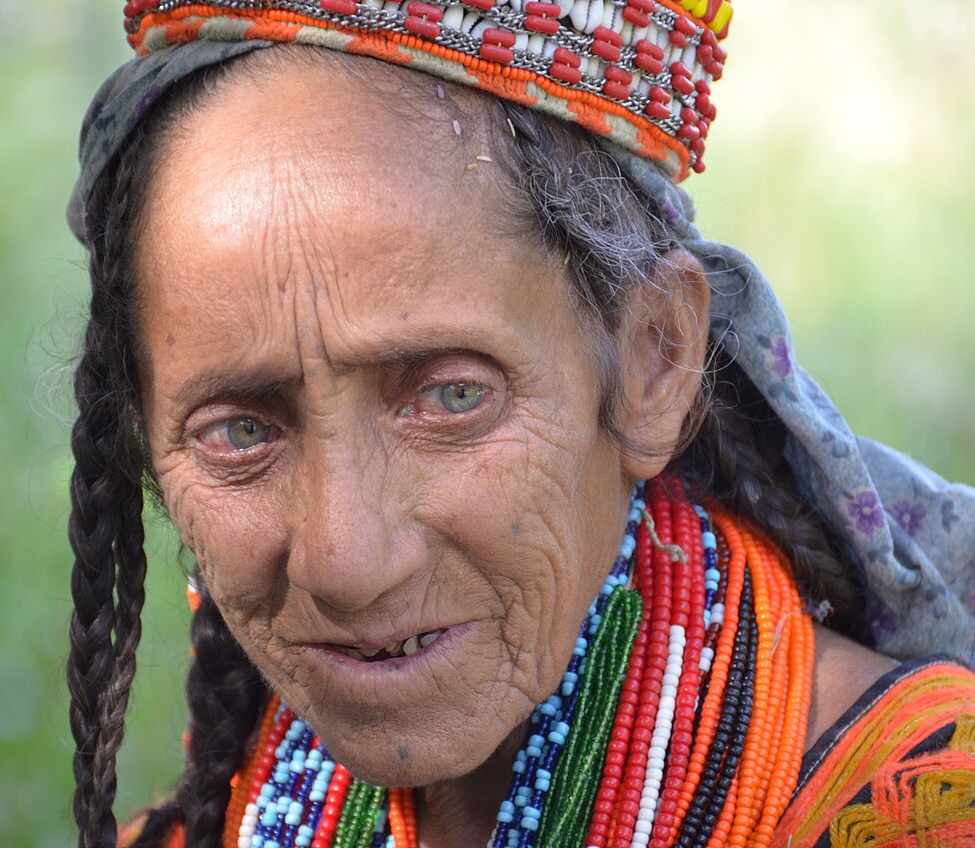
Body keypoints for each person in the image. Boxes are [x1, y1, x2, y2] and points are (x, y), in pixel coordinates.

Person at [63, 1, 975, 846]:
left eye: (454, 396)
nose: (345, 561)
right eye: (240, 432)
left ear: (656, 360)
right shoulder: (223, 813)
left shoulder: (925, 810)